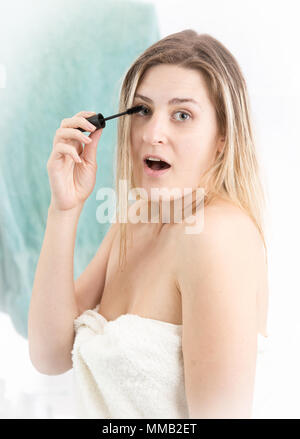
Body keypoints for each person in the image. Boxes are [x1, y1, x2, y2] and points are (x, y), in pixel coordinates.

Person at [28, 29, 269, 419]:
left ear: (222, 135)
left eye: (182, 115)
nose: (154, 134)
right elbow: (49, 354)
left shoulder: (216, 237)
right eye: (143, 110)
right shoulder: (136, 216)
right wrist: (65, 209)